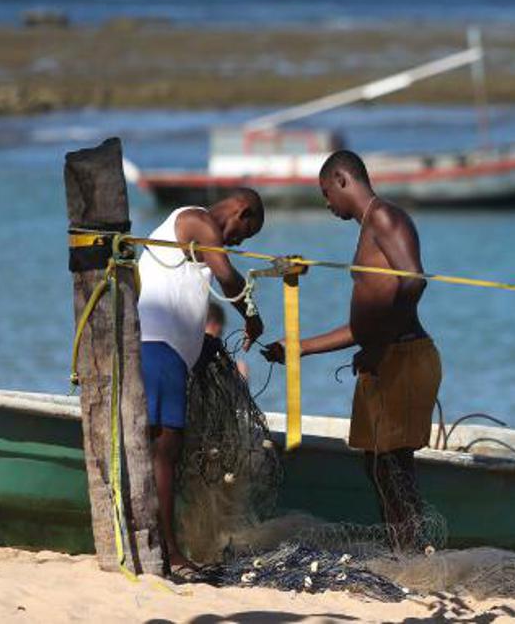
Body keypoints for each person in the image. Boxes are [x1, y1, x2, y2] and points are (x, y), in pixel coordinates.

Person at [264, 150, 440, 550]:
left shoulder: (384, 218)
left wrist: (377, 347)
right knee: (378, 464)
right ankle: (405, 551)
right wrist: (301, 348)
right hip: (385, 357)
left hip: (404, 357)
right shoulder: (368, 229)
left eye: (327, 194)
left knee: (393, 464)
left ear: (343, 179)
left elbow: (414, 281)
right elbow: (365, 324)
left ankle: (412, 553)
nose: (327, 205)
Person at [137, 191, 265, 577]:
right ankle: (169, 552)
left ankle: (161, 544)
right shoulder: (195, 219)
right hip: (156, 351)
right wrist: (251, 315)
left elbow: (180, 297)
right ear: (240, 211)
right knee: (164, 450)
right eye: (244, 233)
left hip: (167, 353)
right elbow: (228, 277)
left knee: (166, 450)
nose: (238, 242)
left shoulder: (198, 244)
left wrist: (204, 345)